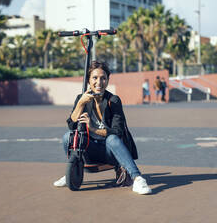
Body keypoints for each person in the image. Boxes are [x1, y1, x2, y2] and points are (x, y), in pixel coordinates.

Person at [53, 61, 151, 195]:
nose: (99, 82)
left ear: (107, 80)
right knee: (68, 137)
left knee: (112, 139)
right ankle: (72, 171)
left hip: (111, 153)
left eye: (103, 78)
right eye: (95, 78)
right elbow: (72, 124)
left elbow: (117, 131)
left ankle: (138, 179)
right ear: (88, 80)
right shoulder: (81, 98)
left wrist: (92, 128)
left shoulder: (113, 100)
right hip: (90, 149)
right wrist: (81, 103)